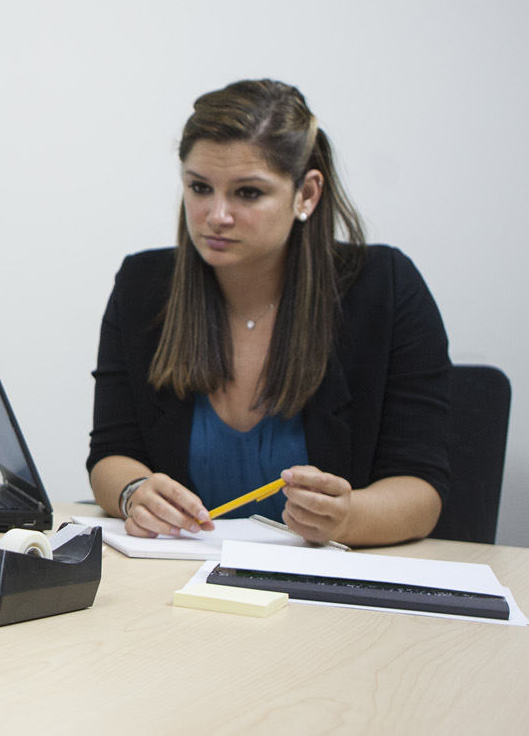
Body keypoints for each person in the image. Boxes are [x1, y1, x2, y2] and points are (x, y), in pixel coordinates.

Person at [87, 80, 450, 547]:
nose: (216, 215)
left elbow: (421, 489)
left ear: (307, 194)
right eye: (200, 187)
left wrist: (346, 518)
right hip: (181, 588)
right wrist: (135, 493)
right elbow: (111, 455)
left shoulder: (385, 287)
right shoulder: (142, 285)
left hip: (330, 595)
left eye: (248, 193)